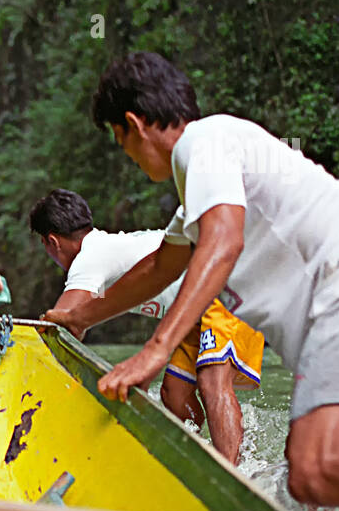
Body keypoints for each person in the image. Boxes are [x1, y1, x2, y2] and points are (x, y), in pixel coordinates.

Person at [45, 51, 339, 511]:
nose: (129, 158)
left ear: (134, 124)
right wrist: (80, 316)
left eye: (121, 141)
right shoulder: (201, 188)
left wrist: (156, 349)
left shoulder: (206, 142)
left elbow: (223, 241)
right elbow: (159, 268)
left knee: (317, 469)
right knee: (312, 488)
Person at [32, 189, 263, 464]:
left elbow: (61, 324)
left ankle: (235, 477)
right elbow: (75, 325)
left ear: (52, 242)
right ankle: (200, 461)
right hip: (193, 309)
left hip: (224, 282)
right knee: (174, 393)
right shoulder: (103, 250)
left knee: (212, 381)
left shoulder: (89, 258)